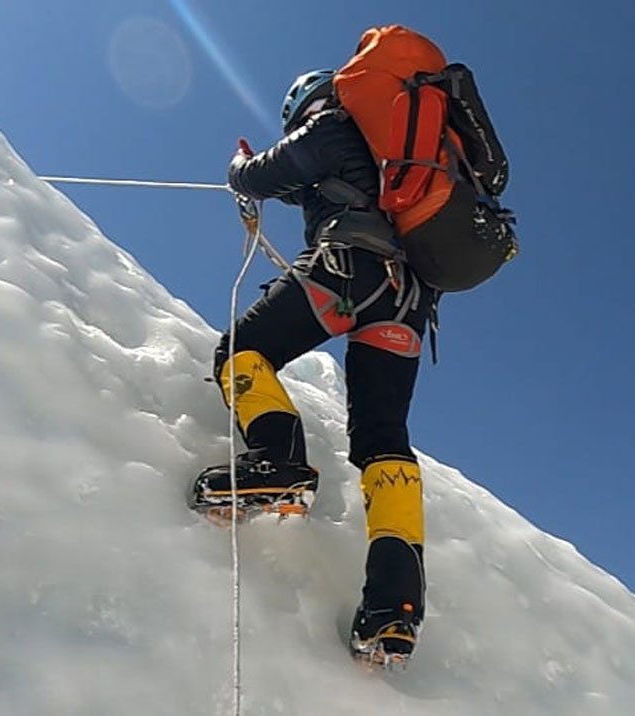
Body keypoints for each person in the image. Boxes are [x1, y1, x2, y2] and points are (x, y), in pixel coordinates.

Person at [190, 69, 433, 664]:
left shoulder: (330, 127)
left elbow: (266, 172)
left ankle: (278, 461)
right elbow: (308, 186)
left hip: (345, 270)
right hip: (405, 304)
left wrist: (239, 167)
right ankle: (394, 605)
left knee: (240, 352)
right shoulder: (389, 164)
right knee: (383, 442)